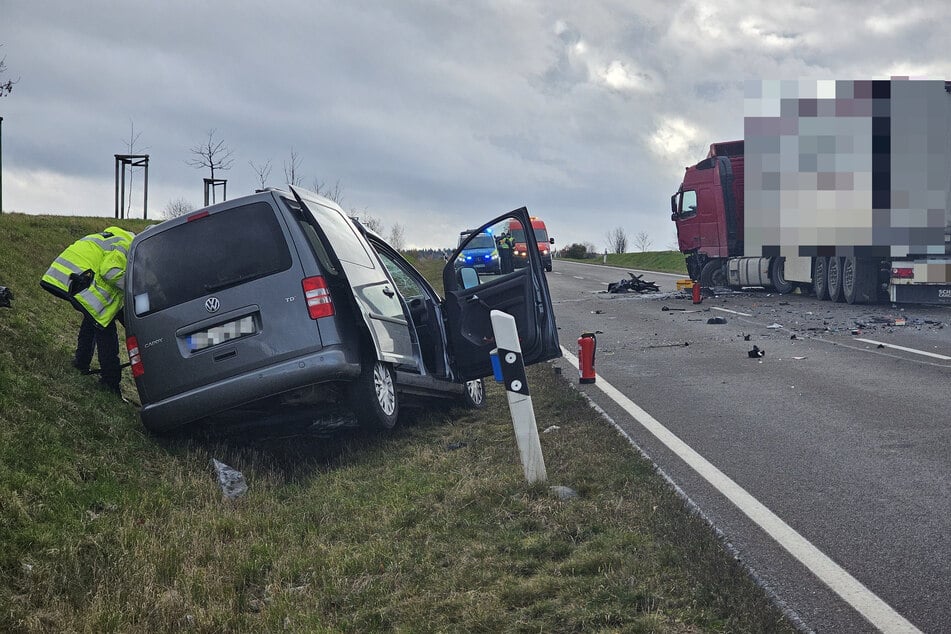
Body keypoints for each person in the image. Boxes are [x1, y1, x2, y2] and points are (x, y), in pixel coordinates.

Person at [40, 226, 135, 395]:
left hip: (72, 275)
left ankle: (81, 362)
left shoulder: (116, 238)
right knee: (104, 326)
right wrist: (135, 286)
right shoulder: (126, 246)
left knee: (92, 318)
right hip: (80, 278)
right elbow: (110, 272)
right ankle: (110, 382)